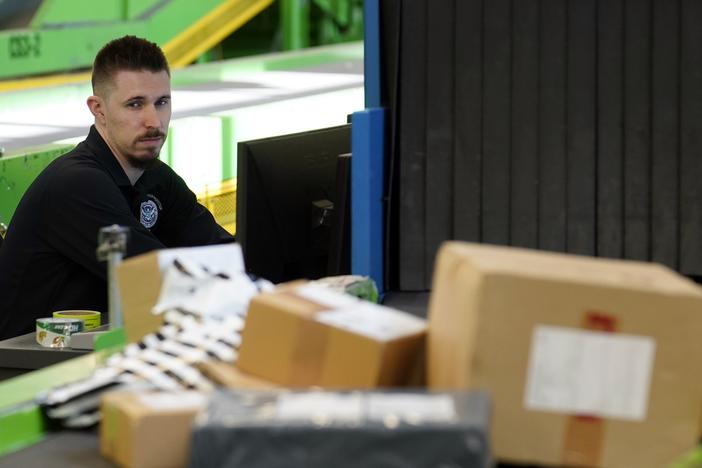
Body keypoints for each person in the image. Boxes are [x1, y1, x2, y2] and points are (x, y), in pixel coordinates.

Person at [0, 36, 234, 340]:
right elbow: (161, 281)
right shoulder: (76, 184)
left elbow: (221, 251)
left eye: (162, 102)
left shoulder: (155, 177)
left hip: (85, 352)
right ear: (98, 109)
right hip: (22, 367)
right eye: (135, 104)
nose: (154, 121)